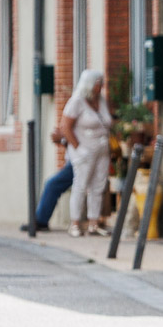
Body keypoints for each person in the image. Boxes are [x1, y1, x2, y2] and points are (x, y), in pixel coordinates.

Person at [62, 69, 112, 237]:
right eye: (98, 84)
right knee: (80, 185)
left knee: (98, 185)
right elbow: (65, 127)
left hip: (102, 149)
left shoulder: (101, 101)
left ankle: (93, 222)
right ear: (90, 85)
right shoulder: (77, 101)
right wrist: (77, 147)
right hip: (84, 149)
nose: (101, 87)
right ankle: (75, 223)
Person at [20, 127, 74, 232]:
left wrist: (63, 139)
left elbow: (81, 142)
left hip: (79, 162)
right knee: (51, 184)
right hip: (74, 161)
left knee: (52, 184)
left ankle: (41, 220)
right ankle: (40, 220)